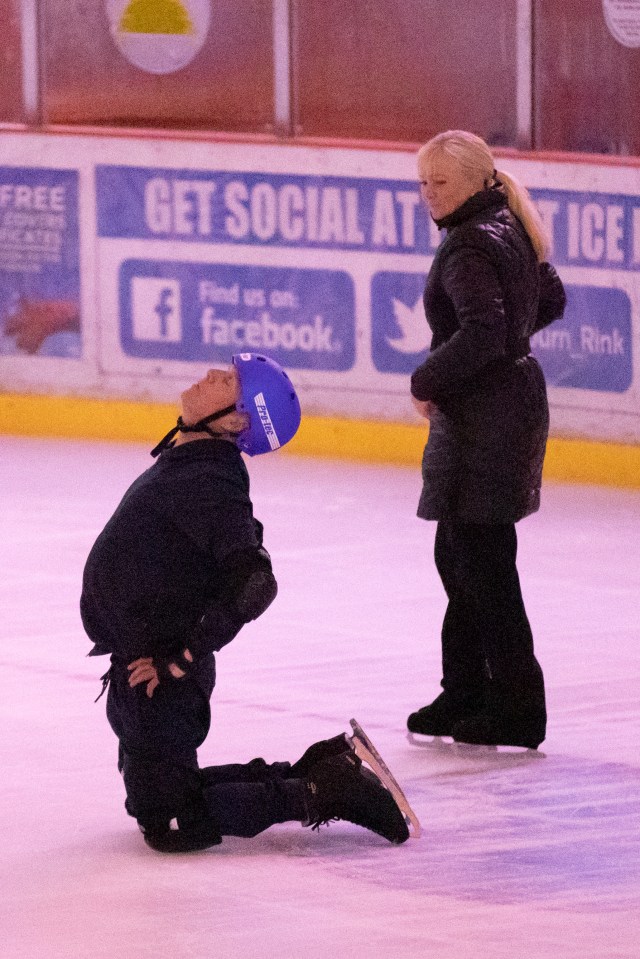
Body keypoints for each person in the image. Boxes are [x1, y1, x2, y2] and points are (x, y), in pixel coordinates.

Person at [81, 352, 410, 852]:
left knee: (171, 821)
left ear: (236, 420)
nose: (213, 374)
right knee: (160, 803)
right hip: (140, 666)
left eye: (230, 382)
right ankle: (316, 772)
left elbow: (255, 583)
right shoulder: (196, 462)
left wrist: (182, 659)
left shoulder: (211, 479)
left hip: (162, 673)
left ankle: (320, 792)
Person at [406, 131, 566, 750]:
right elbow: (546, 297)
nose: (428, 195)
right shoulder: (504, 226)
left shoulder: (473, 244)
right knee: (460, 557)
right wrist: (510, 343)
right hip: (499, 409)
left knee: (484, 565)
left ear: (475, 182)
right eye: (422, 183)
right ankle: (466, 691)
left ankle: (519, 709)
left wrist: (425, 378)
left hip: (489, 421)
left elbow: (484, 333)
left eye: (439, 183)